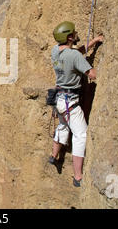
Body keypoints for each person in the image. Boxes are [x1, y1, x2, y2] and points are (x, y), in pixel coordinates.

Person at [49, 21, 103, 187]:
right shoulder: (74, 56)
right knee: (80, 135)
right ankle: (77, 176)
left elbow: (76, 53)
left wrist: (94, 41)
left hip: (58, 100)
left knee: (63, 126)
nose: (77, 32)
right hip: (70, 101)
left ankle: (53, 156)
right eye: (75, 32)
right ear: (70, 37)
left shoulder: (55, 51)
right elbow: (92, 75)